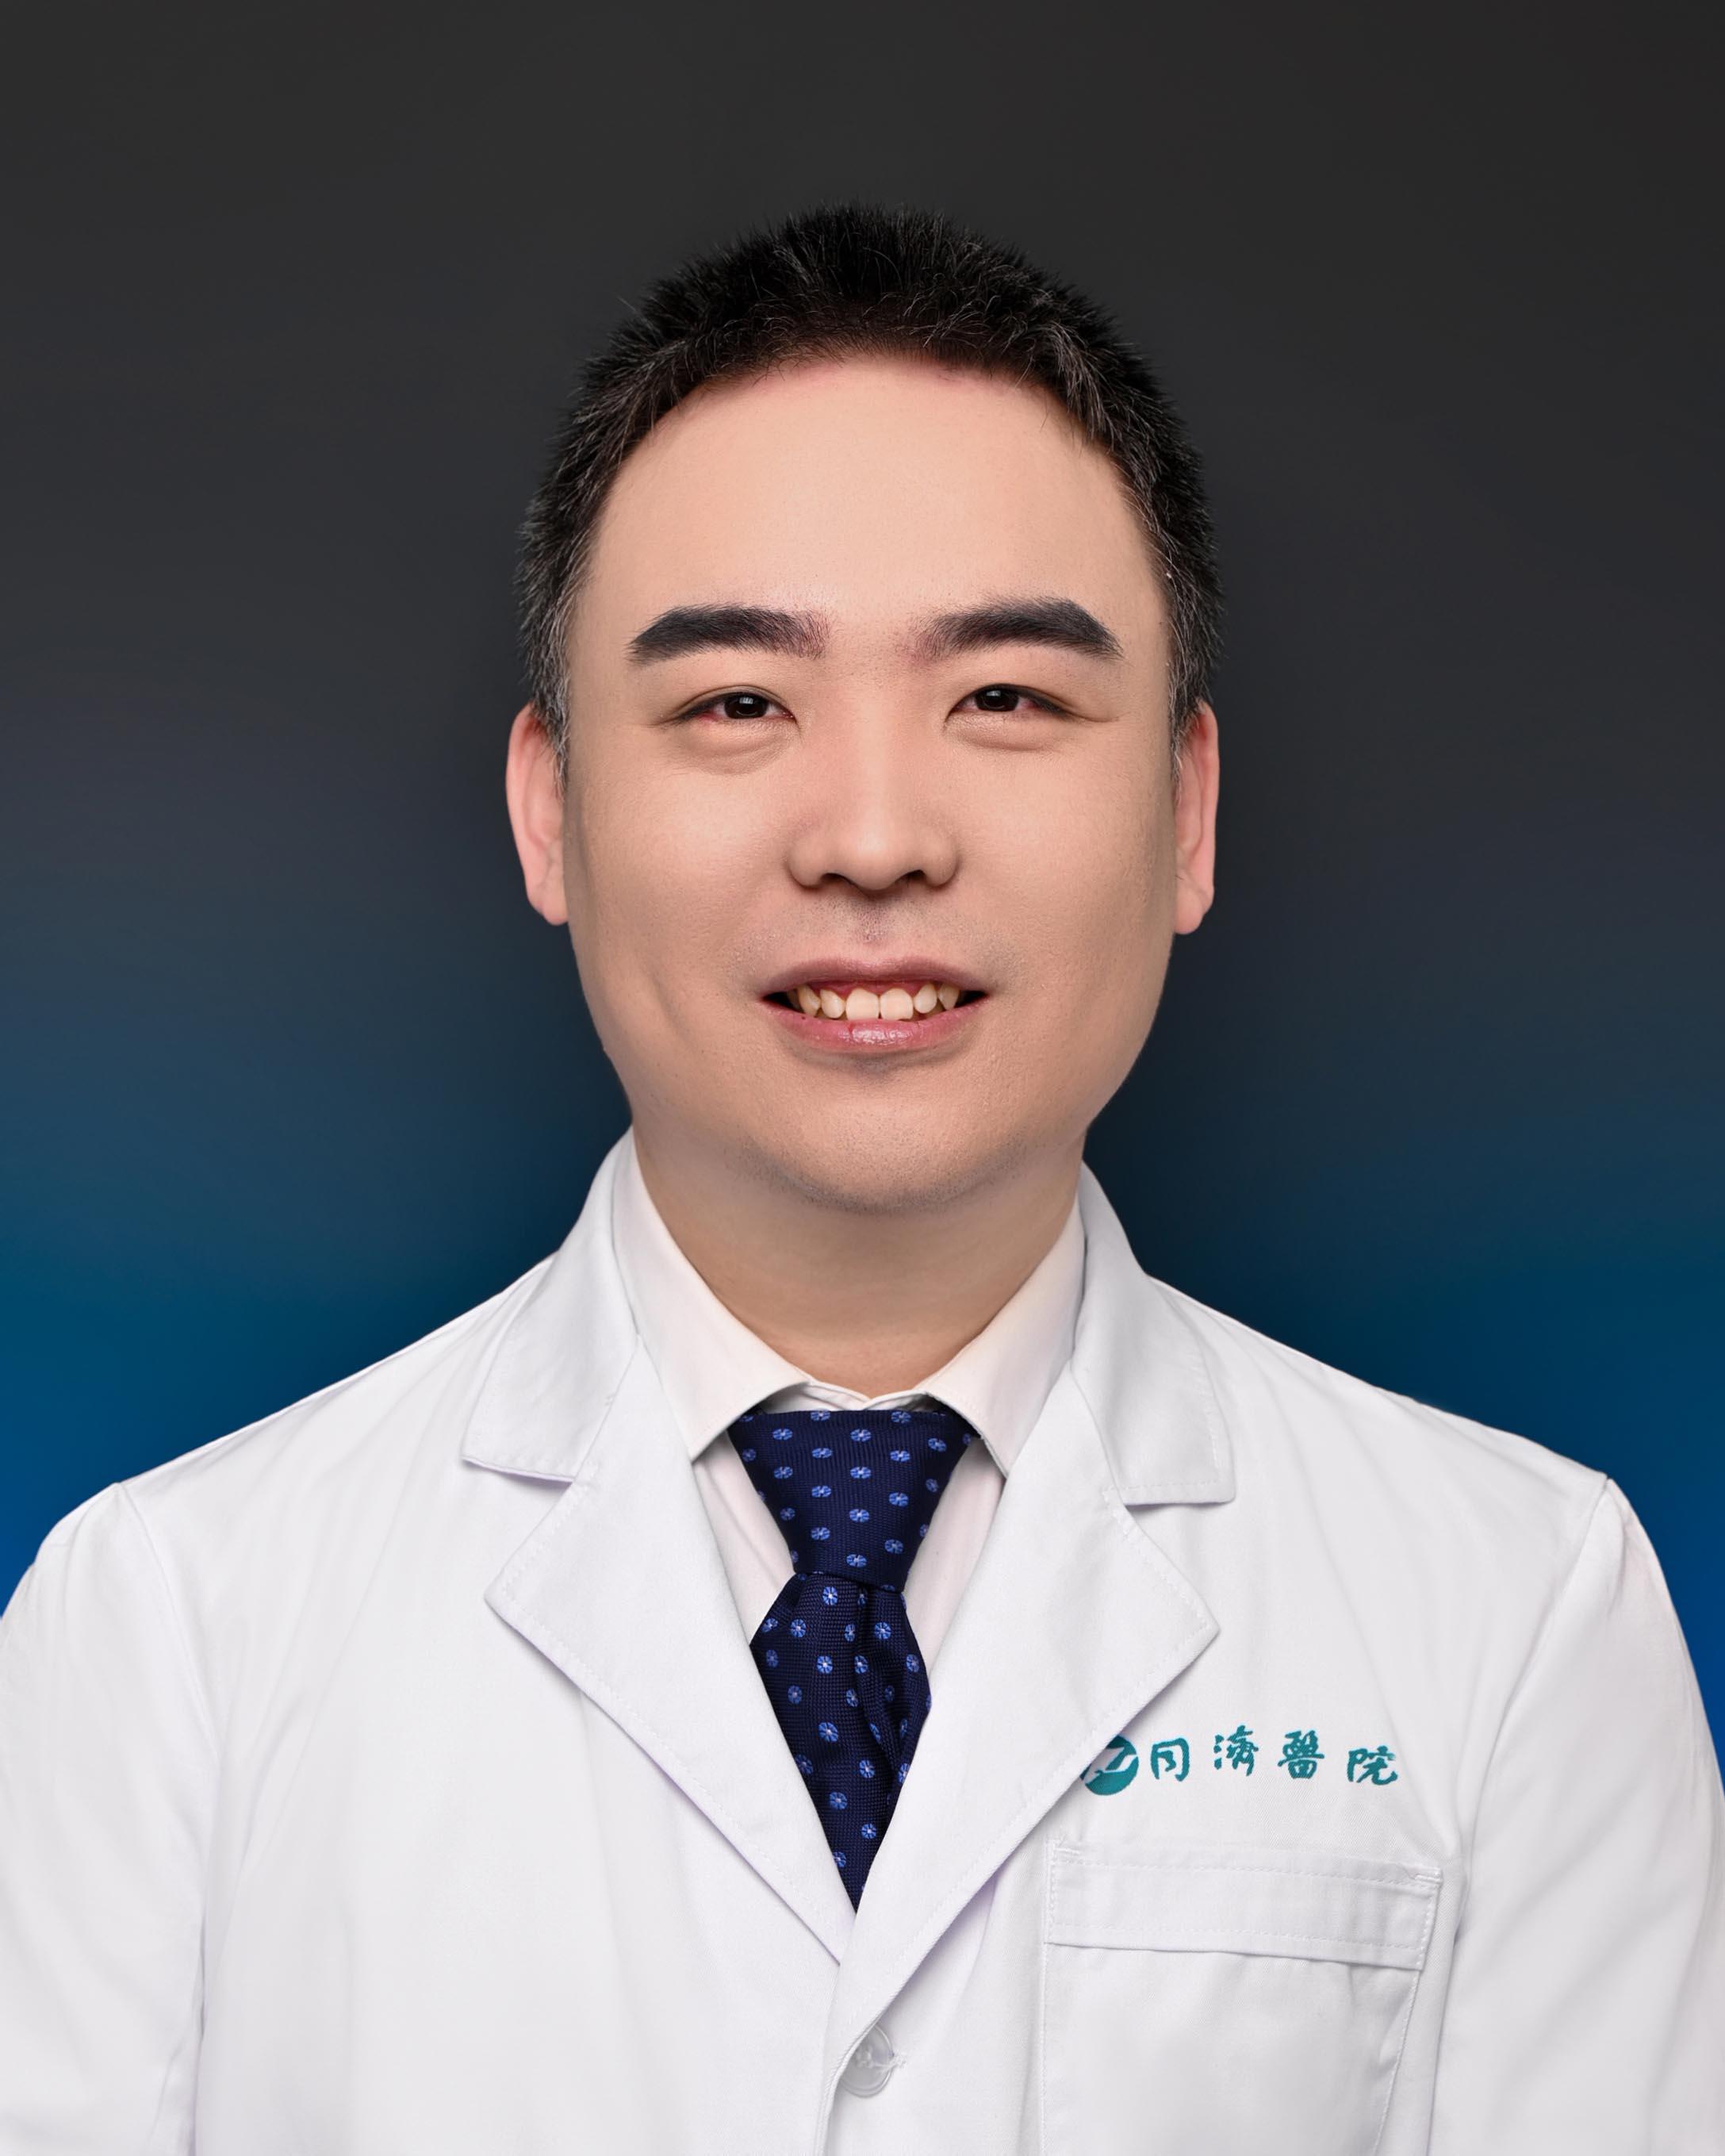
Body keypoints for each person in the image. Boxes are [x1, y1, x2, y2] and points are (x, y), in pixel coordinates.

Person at [1, 204, 1719, 2155]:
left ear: (1183, 811)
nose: (876, 835)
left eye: (1004, 698)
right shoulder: (170, 1630)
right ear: (550, 812)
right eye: (737, 702)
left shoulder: (1514, 1612)